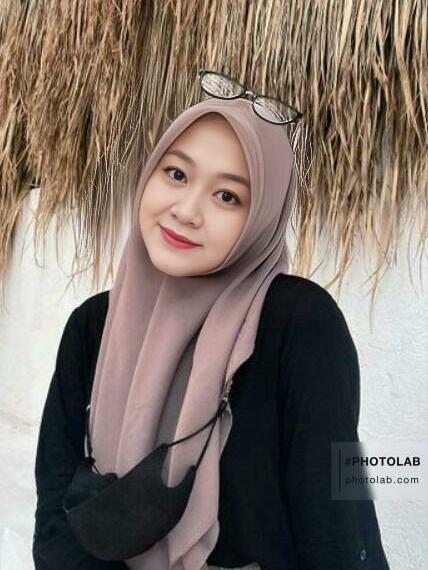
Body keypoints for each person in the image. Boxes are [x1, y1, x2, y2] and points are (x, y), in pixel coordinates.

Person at [33, 95, 391, 570]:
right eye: (176, 174)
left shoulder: (300, 326)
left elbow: (336, 530)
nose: (186, 211)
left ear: (262, 217)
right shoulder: (92, 326)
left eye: (228, 196)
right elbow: (56, 515)